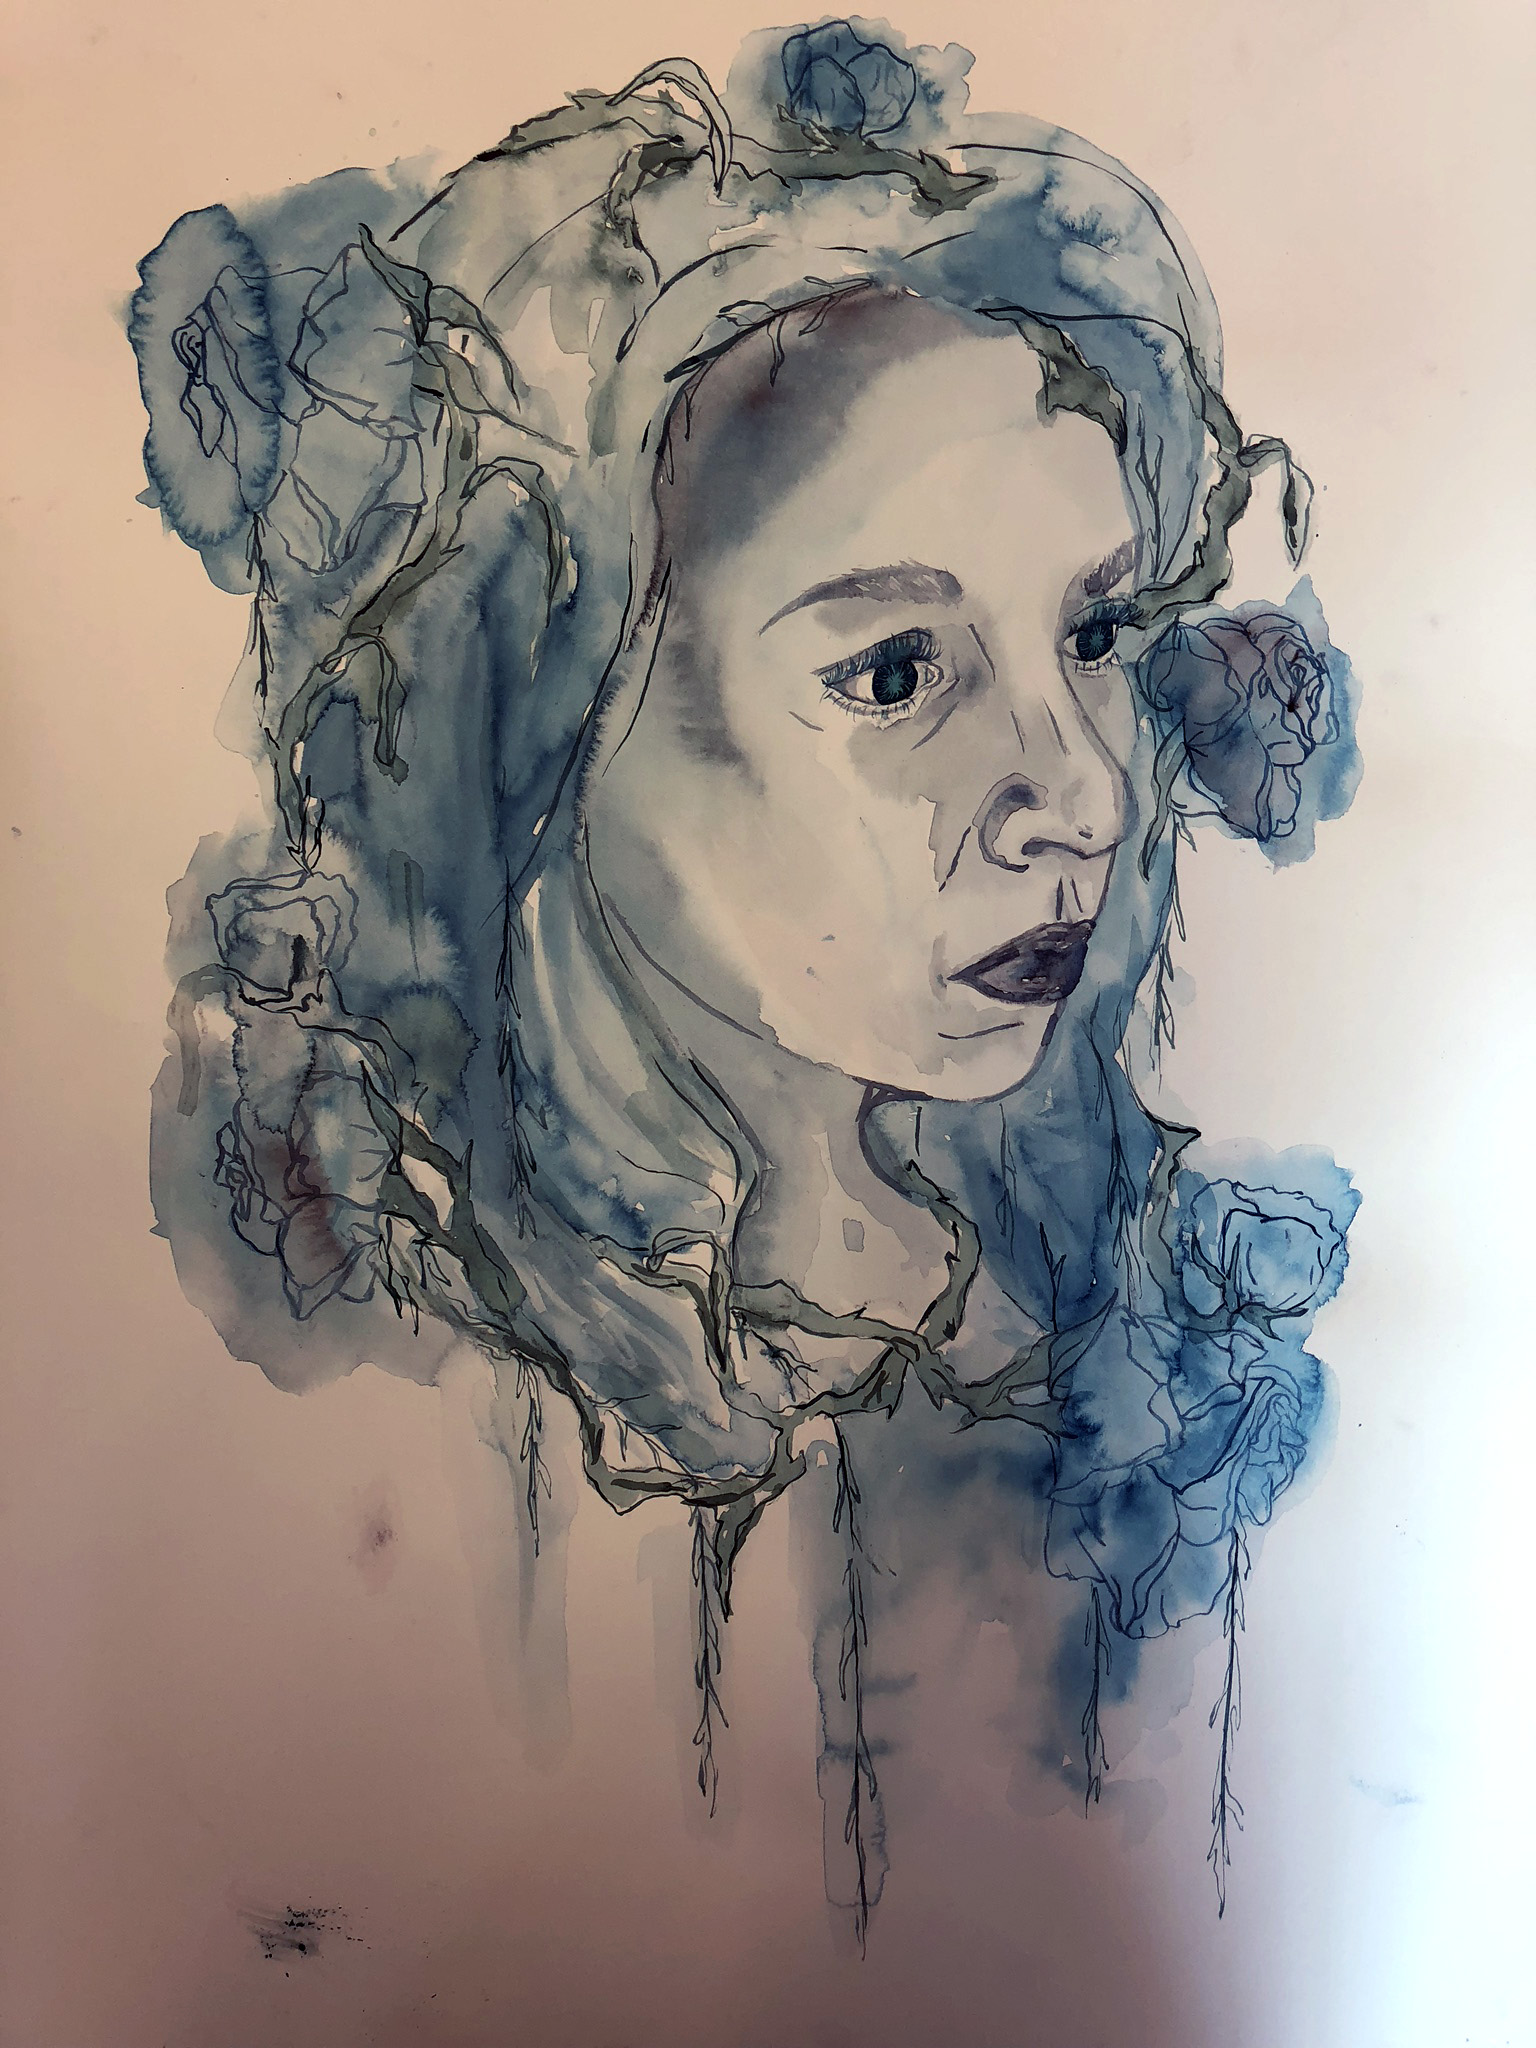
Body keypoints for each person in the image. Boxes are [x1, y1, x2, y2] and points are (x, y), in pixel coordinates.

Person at [130, 17, 1361, 1924]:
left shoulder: (1089, 1341)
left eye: (1092, 634)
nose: (1082, 797)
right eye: (897, 673)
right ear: (551, 719)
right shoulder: (426, 1434)